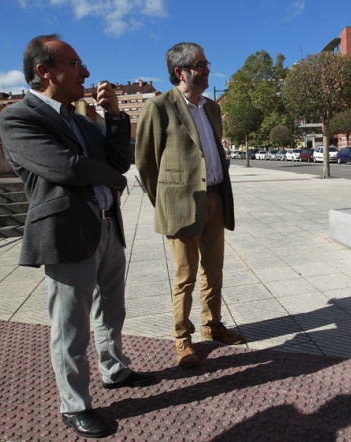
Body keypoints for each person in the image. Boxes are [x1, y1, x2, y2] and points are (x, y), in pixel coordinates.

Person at [0, 35, 157, 439]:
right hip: (67, 234)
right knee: (70, 327)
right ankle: (74, 405)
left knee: (112, 311)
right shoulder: (18, 117)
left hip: (107, 226)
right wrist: (115, 179)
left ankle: (114, 370)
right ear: (44, 70)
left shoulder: (84, 120)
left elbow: (120, 157)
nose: (86, 72)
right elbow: (65, 168)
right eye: (75, 63)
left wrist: (115, 115)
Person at [135, 42, 244, 369]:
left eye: (207, 62)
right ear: (180, 71)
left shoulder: (211, 108)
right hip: (180, 205)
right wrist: (164, 202)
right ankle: (182, 338)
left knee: (214, 270)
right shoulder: (158, 107)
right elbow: (145, 163)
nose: (207, 68)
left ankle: (212, 326)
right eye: (200, 64)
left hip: (214, 198)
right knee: (185, 276)